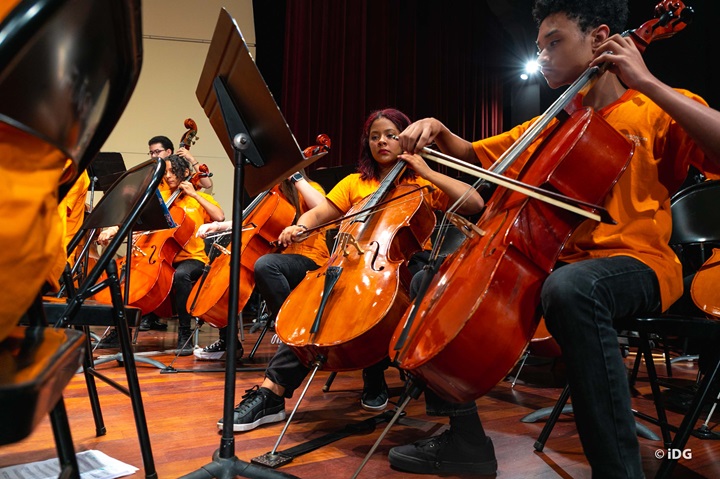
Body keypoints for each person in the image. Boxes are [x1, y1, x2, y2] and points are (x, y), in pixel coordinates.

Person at [390, 0, 720, 476]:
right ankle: (465, 440)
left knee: (571, 289)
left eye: (554, 41)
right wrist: (438, 130)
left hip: (640, 264)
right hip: (559, 268)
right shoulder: (552, 124)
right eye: (538, 46)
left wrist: (647, 81)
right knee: (430, 285)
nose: (542, 55)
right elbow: (478, 156)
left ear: (600, 38)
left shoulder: (655, 109)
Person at [220, 108, 484, 432]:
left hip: (404, 264)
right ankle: (271, 391)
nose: (382, 142)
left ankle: (393, 375)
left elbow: (474, 203)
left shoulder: (420, 183)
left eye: (390, 135)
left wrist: (426, 170)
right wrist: (300, 226)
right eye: (374, 137)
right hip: (351, 262)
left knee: (423, 285)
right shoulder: (354, 183)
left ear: (407, 138)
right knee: (317, 311)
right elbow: (319, 215)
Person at [192, 170, 328, 361]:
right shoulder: (273, 193)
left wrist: (295, 176)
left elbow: (323, 207)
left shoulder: (309, 187)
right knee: (231, 277)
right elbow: (250, 221)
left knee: (265, 265)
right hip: (277, 259)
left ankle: (291, 331)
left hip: (309, 259)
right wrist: (218, 226)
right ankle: (228, 343)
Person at [97, 154, 225, 354]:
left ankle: (185, 334)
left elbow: (220, 216)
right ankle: (118, 331)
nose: (168, 176)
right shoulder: (161, 195)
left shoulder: (199, 199)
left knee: (182, 275)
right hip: (159, 256)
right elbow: (136, 217)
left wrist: (195, 195)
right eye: (165, 172)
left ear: (184, 172)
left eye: (172, 171)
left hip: (191, 258)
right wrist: (113, 229)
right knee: (129, 272)